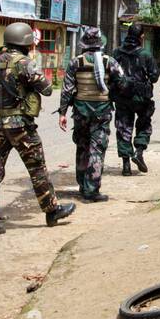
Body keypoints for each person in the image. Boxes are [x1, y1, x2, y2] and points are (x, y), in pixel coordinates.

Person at [0, 21, 75, 237]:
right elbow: (48, 89)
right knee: (37, 168)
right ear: (25, 42)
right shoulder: (25, 63)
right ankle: (52, 211)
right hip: (20, 125)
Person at [56, 26, 125, 201]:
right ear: (100, 43)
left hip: (80, 112)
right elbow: (123, 83)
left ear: (84, 43)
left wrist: (62, 113)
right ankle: (91, 189)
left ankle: (82, 184)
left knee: (82, 147)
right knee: (97, 149)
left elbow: (66, 90)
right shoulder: (110, 62)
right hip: (102, 112)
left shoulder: (75, 62)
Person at [113, 24, 159, 175]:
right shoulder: (145, 54)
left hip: (122, 96)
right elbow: (154, 77)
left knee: (123, 129)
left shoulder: (116, 52)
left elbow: (110, 74)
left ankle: (126, 166)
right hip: (141, 98)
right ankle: (138, 152)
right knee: (144, 125)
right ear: (141, 37)